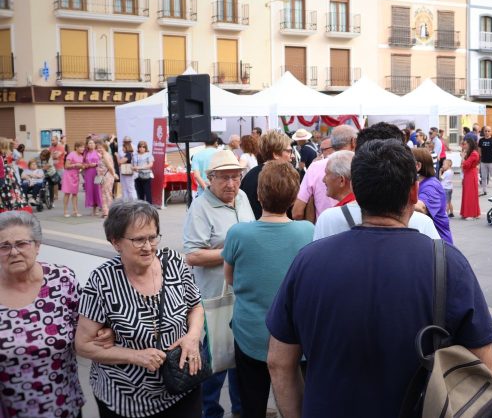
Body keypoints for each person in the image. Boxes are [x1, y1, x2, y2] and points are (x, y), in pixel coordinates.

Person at [266, 139, 492, 418]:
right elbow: (485, 367)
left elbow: (279, 362)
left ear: (357, 192)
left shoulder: (308, 261)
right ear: (414, 192)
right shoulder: (447, 264)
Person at [76, 200, 205, 417]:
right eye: (138, 240)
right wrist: (134, 356)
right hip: (127, 401)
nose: (148, 247)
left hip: (183, 386)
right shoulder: (103, 280)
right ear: (116, 242)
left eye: (152, 237)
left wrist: (192, 336)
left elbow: (196, 306)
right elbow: (83, 345)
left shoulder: (173, 262)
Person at [222, 161, 314, 418]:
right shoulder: (308, 230)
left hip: (250, 333)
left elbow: (230, 279)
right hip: (295, 337)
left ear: (259, 195)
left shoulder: (238, 233)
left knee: (252, 402)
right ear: (293, 196)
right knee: (299, 403)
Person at [0, 211, 105, 417]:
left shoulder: (62, 280)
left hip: (64, 404)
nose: (13, 252)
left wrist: (103, 334)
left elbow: (84, 329)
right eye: (4, 246)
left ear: (38, 246)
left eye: (22, 244)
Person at [183, 150, 255, 418]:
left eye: (236, 177)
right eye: (224, 178)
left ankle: (240, 410)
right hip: (214, 299)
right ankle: (210, 412)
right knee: (214, 363)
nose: (231, 185)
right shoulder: (200, 207)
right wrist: (232, 251)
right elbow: (192, 255)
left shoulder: (243, 198)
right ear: (210, 179)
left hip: (242, 295)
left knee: (240, 360)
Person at [313, 127, 440, 241]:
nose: (324, 179)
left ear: (353, 185)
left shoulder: (328, 220)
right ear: (414, 192)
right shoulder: (424, 225)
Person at [292, 125, 357, 222]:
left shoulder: (315, 167)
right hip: (358, 230)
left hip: (323, 230)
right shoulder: (362, 165)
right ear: (353, 141)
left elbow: (297, 213)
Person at [241, 131, 293, 219]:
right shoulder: (283, 177)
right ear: (276, 154)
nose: (292, 156)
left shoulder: (250, 175)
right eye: (288, 151)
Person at [413, 148, 453, 243]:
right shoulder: (417, 182)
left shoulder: (431, 185)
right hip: (427, 242)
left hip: (439, 245)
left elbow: (421, 207)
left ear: (418, 166)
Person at [0, 137, 30, 213]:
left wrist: (9, 166)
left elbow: (6, 163)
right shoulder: (2, 155)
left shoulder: (3, 155)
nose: (9, 151)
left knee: (12, 193)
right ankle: (9, 208)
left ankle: (12, 208)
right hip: (5, 178)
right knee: (8, 194)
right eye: (7, 148)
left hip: (9, 178)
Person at [62, 142, 85, 217]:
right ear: (76, 147)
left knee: (75, 194)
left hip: (76, 175)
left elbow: (81, 166)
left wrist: (82, 167)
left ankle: (75, 211)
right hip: (68, 175)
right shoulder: (71, 154)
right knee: (67, 193)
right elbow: (66, 166)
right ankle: (65, 211)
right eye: (81, 147)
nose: (82, 149)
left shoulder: (82, 156)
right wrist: (75, 165)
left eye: (83, 147)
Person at [460, 137, 481, 220]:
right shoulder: (471, 153)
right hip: (469, 173)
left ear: (469, 144)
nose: (464, 146)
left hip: (470, 174)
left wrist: (462, 157)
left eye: (465, 144)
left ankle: (470, 213)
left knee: (470, 194)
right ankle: (472, 213)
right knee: (469, 193)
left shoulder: (474, 153)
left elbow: (465, 165)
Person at [97, 141, 118, 218]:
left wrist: (114, 174)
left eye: (101, 148)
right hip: (105, 176)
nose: (99, 149)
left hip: (107, 177)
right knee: (105, 194)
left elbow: (110, 166)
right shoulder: (105, 155)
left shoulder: (105, 156)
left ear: (105, 148)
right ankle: (106, 212)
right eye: (98, 148)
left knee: (106, 194)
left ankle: (109, 212)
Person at [478, 126, 492, 196]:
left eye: (488, 131)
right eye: (485, 131)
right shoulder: (481, 140)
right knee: (484, 177)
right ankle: (484, 190)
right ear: (483, 132)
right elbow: (479, 150)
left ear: (490, 132)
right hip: (483, 161)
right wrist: (481, 157)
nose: (487, 132)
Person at [83, 139, 103, 216]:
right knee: (90, 190)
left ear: (95, 144)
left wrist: (95, 164)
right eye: (89, 143)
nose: (90, 144)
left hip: (96, 172)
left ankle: (98, 208)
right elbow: (83, 162)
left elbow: (102, 162)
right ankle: (93, 209)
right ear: (87, 145)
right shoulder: (86, 153)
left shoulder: (98, 152)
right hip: (88, 173)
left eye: (92, 143)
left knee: (97, 189)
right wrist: (86, 165)